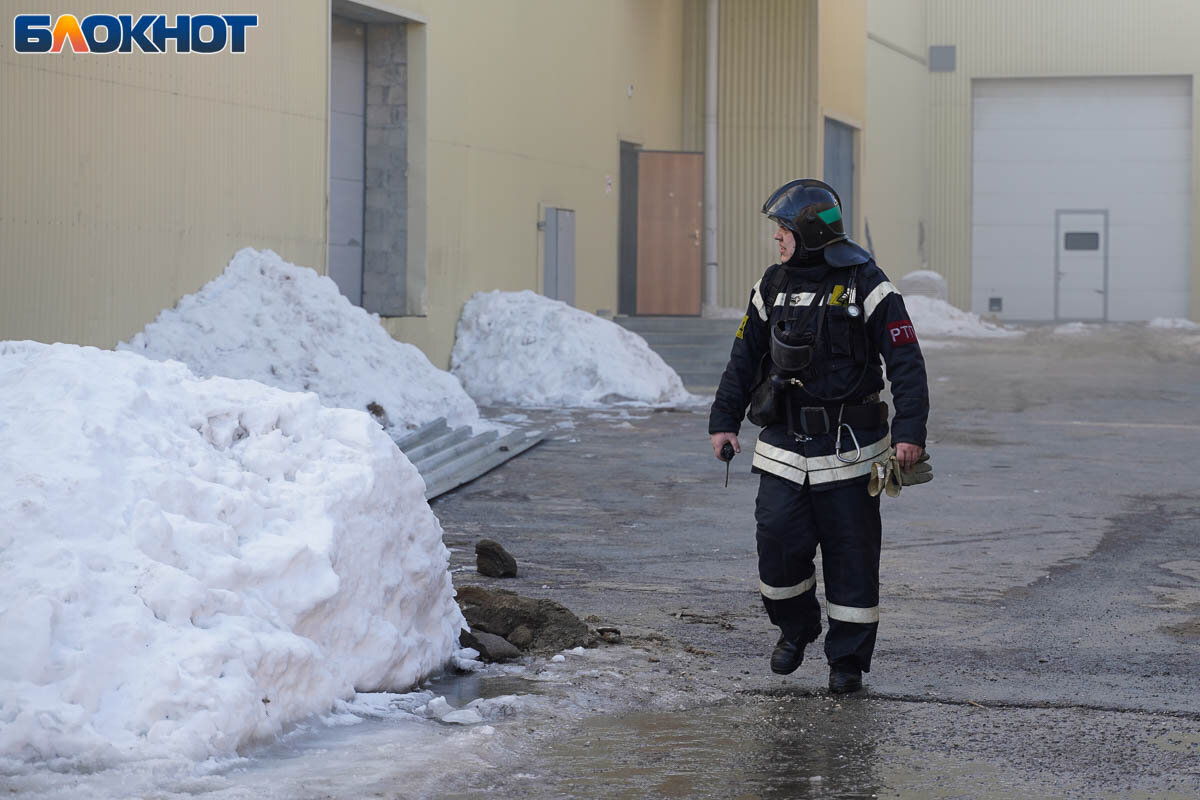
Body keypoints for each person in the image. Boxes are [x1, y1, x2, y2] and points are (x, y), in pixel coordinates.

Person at [709, 179, 929, 694]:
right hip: (785, 446)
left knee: (852, 559)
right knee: (777, 543)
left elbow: (905, 360)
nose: (777, 240)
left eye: (782, 230)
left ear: (807, 230)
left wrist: (910, 429)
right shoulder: (771, 284)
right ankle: (795, 628)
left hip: (853, 449)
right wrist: (724, 420)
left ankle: (847, 662)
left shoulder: (865, 281)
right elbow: (743, 357)